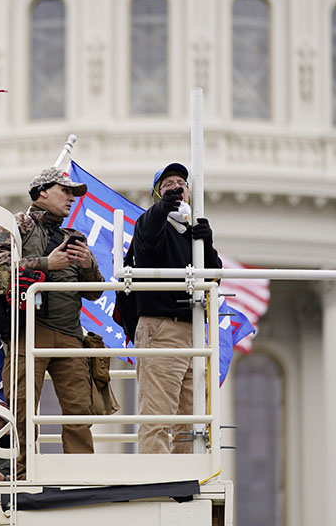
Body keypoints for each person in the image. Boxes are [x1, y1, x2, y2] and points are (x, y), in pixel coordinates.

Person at [0, 167, 104, 478]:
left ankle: (80, 475)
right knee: (22, 407)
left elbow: (96, 293)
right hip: (29, 332)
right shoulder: (16, 226)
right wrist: (45, 264)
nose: (71, 198)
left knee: (81, 409)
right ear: (42, 192)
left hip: (70, 335)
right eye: (64, 191)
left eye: (73, 193)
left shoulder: (74, 238)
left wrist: (89, 266)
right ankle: (23, 472)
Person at [131, 162, 221, 454]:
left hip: (192, 330)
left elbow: (214, 276)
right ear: (158, 194)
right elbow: (146, 238)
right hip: (162, 328)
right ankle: (157, 481)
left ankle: (186, 480)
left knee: (191, 421)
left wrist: (206, 245)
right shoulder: (151, 224)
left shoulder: (191, 235)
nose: (175, 187)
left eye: (180, 182)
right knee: (158, 416)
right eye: (167, 184)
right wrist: (161, 210)